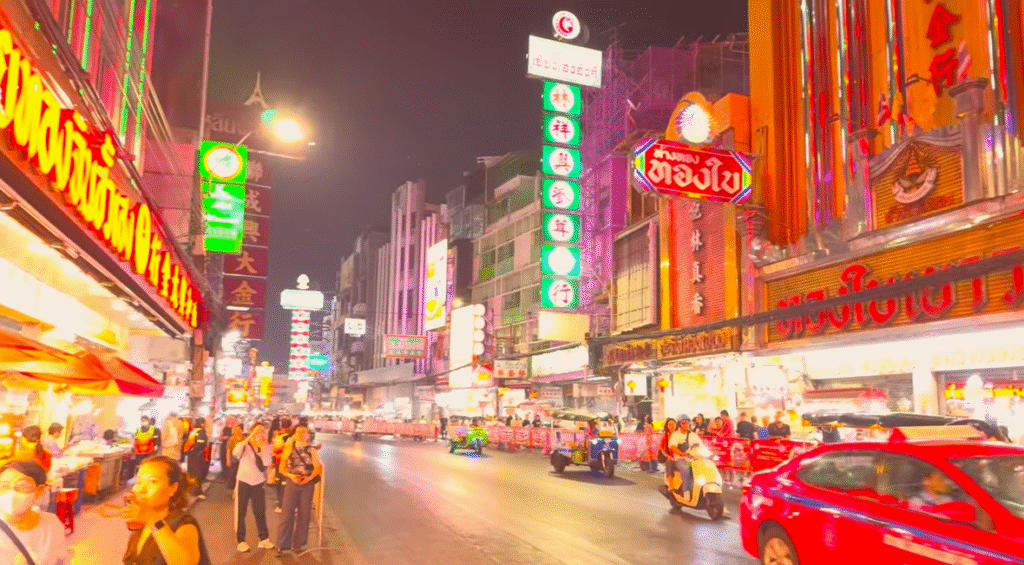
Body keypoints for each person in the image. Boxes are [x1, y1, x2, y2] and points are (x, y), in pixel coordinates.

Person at [121, 455, 211, 565]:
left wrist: (152, 519)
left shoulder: (184, 524)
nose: (141, 489)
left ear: (173, 488)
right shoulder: (141, 527)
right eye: (139, 482)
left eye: (152, 481)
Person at [0, 461, 69, 565]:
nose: (12, 492)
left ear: (39, 490)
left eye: (23, 485)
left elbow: (61, 559)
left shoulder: (51, 524)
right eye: (4, 486)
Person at [276, 424, 322, 555]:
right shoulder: (289, 448)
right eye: (299, 431)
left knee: (304, 514)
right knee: (287, 514)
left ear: (308, 434)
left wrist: (308, 478)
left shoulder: (311, 450)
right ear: (295, 433)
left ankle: (299, 544)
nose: (302, 434)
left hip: (307, 484)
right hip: (292, 483)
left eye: (304, 432)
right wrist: (291, 476)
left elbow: (317, 467)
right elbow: (282, 468)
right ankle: (283, 545)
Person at [232, 422, 274, 552]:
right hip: (243, 481)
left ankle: (264, 539)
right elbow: (236, 452)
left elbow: (267, 462)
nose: (260, 433)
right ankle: (241, 540)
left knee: (260, 511)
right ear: (251, 431)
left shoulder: (265, 446)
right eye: (258, 430)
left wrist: (263, 446)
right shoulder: (244, 444)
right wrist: (250, 437)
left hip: (258, 482)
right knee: (241, 512)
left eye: (263, 431)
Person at [668, 416, 704, 498]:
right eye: (683, 423)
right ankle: (686, 490)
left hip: (694, 460)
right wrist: (680, 453)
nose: (685, 425)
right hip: (681, 460)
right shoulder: (675, 435)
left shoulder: (693, 435)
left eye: (687, 422)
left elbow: (701, 446)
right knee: (685, 468)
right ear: (679, 424)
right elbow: (672, 446)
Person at [270, 418, 293, 513]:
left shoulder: (277, 437)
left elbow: (273, 450)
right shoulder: (288, 438)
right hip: (285, 464)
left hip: (277, 462)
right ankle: (281, 504)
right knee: (284, 484)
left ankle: (279, 501)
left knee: (278, 482)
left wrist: (272, 462)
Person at [128, 417, 162, 483]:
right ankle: (139, 480)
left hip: (149, 452)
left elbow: (157, 441)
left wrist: (156, 449)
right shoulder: (138, 429)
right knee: (139, 466)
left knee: (148, 466)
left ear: (148, 421)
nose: (143, 422)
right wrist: (133, 448)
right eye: (142, 421)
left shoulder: (154, 429)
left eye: (145, 420)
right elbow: (136, 440)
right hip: (139, 452)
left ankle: (147, 480)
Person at [183, 418, 209, 499]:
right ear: (202, 423)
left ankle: (192, 490)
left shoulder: (194, 430)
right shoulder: (201, 431)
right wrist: (196, 450)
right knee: (198, 473)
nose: (205, 424)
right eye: (204, 423)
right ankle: (198, 492)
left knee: (192, 472)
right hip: (197, 455)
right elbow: (200, 443)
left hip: (191, 454)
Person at [224, 425, 245, 489]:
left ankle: (238, 489)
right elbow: (228, 450)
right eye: (236, 430)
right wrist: (228, 460)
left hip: (243, 459)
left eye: (239, 430)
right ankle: (234, 489)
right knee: (233, 474)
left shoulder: (244, 439)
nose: (238, 431)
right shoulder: (232, 439)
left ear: (242, 430)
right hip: (234, 459)